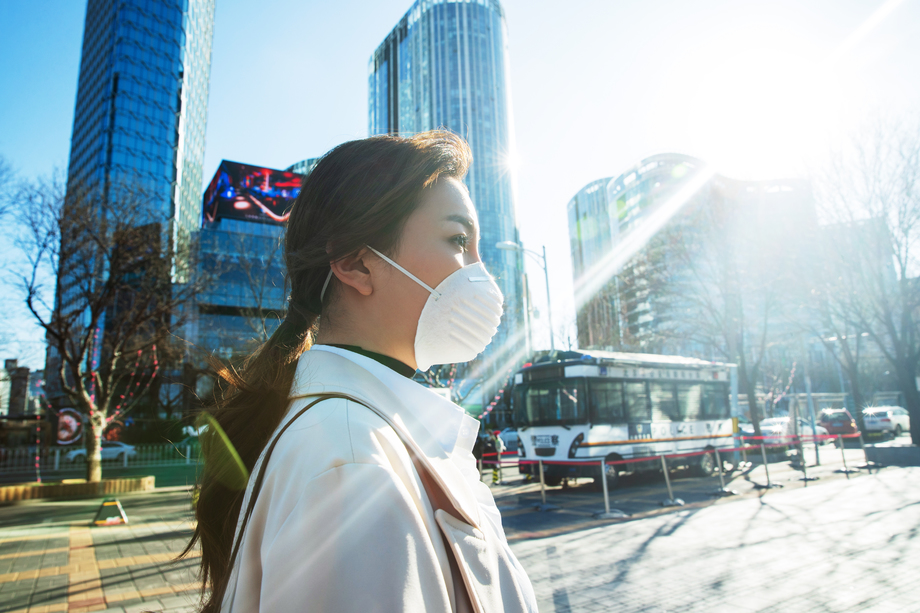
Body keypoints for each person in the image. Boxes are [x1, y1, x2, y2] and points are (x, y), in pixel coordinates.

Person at [186, 131, 537, 612]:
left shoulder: (359, 437)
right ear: (357, 264)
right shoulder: (354, 460)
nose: (480, 271)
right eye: (458, 240)